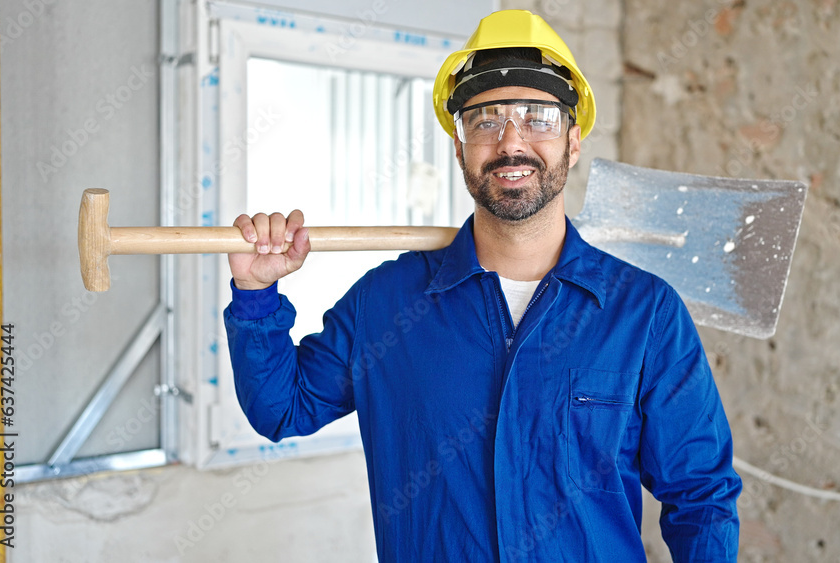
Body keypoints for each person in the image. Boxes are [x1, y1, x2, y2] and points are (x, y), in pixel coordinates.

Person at [224, 9, 741, 562]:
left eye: (537, 118)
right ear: (458, 146)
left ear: (573, 140)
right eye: (486, 120)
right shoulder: (387, 303)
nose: (511, 142)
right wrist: (255, 294)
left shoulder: (645, 313)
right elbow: (282, 408)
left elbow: (701, 497)